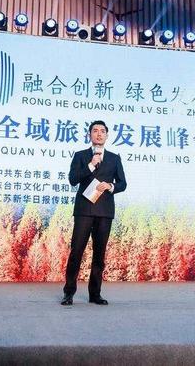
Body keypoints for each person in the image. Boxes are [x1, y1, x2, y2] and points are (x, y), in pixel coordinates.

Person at [61, 120, 127, 305]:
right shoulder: (80, 156)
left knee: (99, 254)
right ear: (89, 134)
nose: (99, 134)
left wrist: (111, 186)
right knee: (76, 252)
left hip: (104, 212)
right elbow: (73, 179)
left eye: (102, 131)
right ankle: (69, 293)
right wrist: (90, 165)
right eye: (95, 131)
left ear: (107, 135)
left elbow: (123, 183)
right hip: (84, 210)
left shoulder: (114, 158)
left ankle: (95, 294)